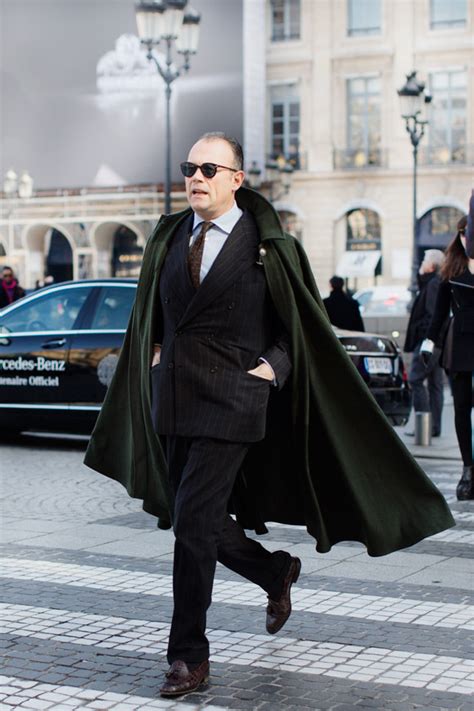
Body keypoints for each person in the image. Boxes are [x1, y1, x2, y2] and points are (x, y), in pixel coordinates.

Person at [85, 133, 454, 698]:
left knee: (191, 528)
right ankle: (273, 571)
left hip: (235, 400)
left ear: (237, 178)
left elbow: (300, 326)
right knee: (193, 521)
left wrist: (270, 370)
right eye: (190, 167)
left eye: (210, 168)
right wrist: (156, 353)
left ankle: (188, 656)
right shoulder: (167, 236)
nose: (196, 177)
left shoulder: (269, 245)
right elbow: (150, 314)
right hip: (175, 397)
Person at [422, 213, 474, 500]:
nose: (467, 239)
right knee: (462, 407)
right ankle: (468, 470)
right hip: (461, 344)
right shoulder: (452, 269)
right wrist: (428, 343)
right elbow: (440, 313)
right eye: (464, 234)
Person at [404, 249, 446, 437]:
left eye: (423, 260)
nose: (421, 263)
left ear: (431, 265)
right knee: (435, 383)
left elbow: (432, 315)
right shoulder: (433, 283)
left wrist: (426, 339)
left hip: (428, 343)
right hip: (436, 342)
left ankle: (424, 426)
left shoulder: (433, 285)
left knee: (415, 379)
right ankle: (434, 427)